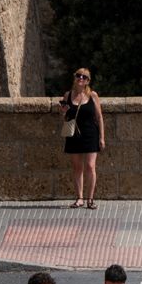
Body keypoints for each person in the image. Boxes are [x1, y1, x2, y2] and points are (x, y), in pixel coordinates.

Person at [56, 67, 105, 208]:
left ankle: (90, 199)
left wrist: (102, 137)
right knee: (77, 167)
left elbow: (99, 117)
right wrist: (63, 112)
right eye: (79, 76)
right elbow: (65, 118)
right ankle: (79, 198)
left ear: (88, 81)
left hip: (90, 134)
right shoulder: (68, 95)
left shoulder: (93, 95)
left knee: (90, 166)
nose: (81, 78)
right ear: (75, 77)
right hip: (73, 135)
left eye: (84, 77)